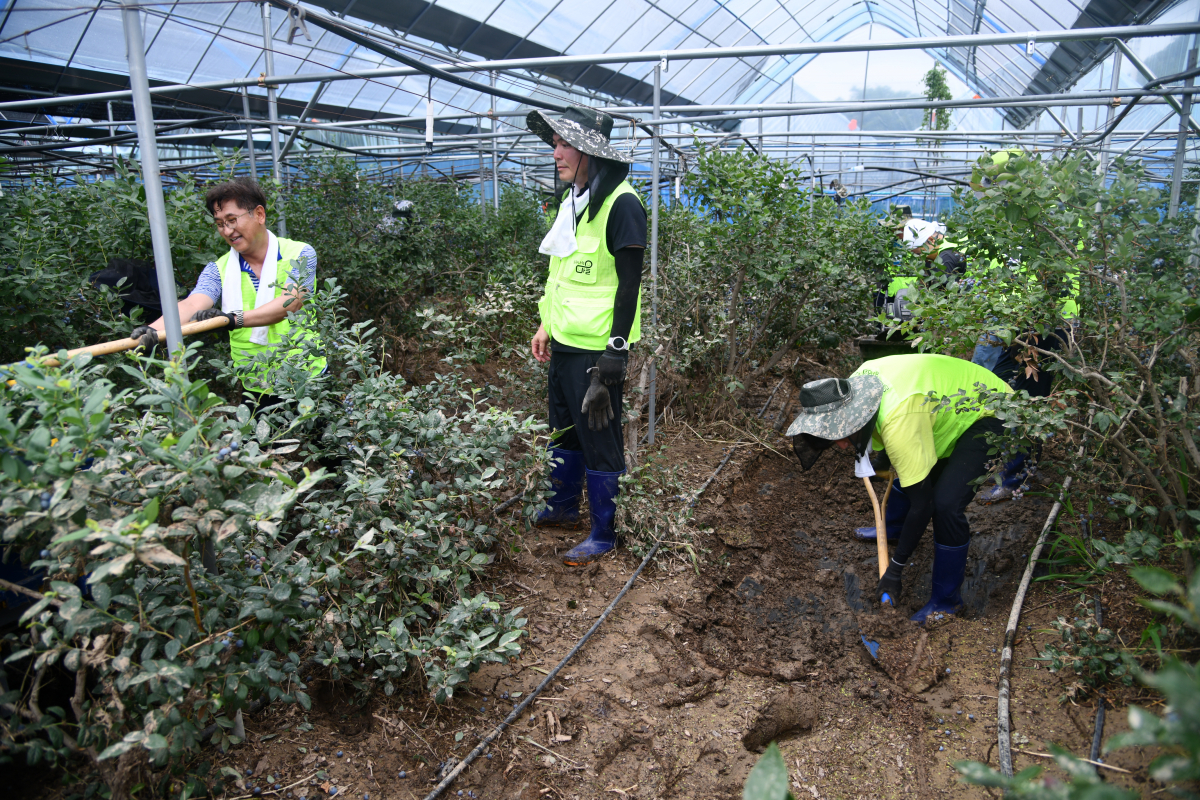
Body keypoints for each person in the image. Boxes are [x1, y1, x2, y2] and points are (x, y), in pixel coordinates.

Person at [787, 354, 1012, 623]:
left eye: (842, 435)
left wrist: (895, 569)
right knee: (910, 468)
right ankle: (893, 527)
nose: (843, 446)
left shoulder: (898, 418)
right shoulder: (858, 385)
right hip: (938, 406)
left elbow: (923, 503)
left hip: (990, 410)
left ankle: (946, 603)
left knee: (945, 504)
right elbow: (890, 439)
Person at [526, 105, 646, 567]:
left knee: (600, 435)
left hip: (598, 349)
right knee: (564, 428)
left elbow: (629, 283)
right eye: (554, 143)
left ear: (590, 151)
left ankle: (603, 532)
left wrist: (615, 353)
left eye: (564, 144)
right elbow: (561, 274)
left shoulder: (622, 204)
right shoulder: (573, 201)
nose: (555, 152)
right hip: (564, 342)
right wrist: (545, 325)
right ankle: (560, 508)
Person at [130, 178, 325, 408]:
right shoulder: (219, 269)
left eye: (232, 220)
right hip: (256, 387)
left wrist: (232, 319)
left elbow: (292, 302)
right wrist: (155, 330)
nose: (227, 230)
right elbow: (192, 305)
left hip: (309, 379)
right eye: (220, 223)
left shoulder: (300, 253)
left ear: (259, 214)